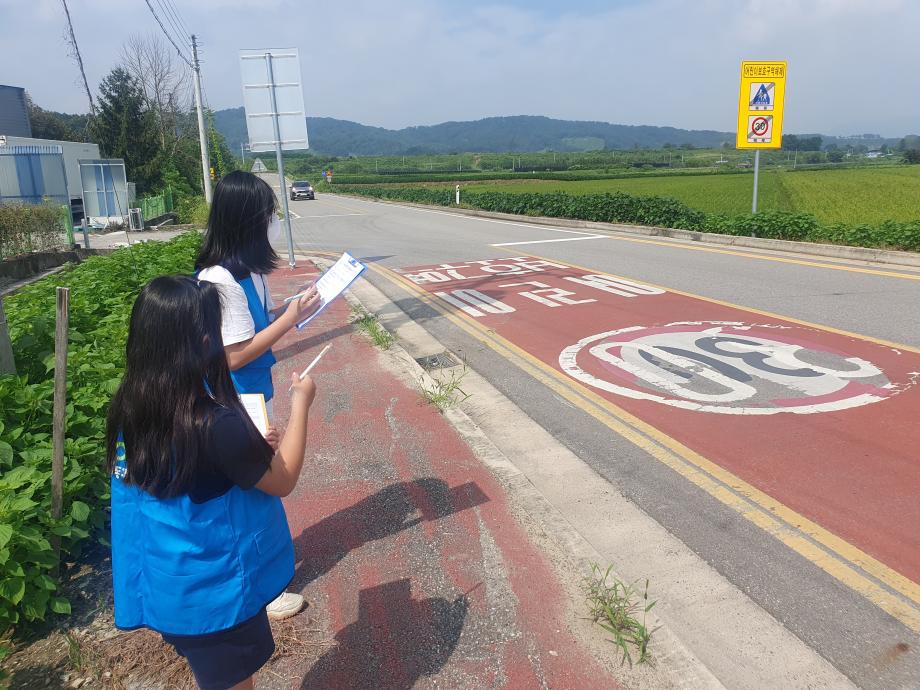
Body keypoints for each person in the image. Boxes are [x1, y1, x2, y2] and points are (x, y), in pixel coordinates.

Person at [107, 276, 317, 690]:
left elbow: (190, 472)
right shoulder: (213, 422)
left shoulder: (130, 404)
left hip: (168, 587)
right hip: (214, 600)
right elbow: (284, 478)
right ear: (202, 340)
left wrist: (251, 448)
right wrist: (301, 404)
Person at [196, 170, 320, 618]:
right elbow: (232, 356)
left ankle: (261, 578)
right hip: (234, 401)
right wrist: (287, 322)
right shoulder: (218, 280)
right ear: (246, 221)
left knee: (257, 487)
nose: (272, 223)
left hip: (255, 394)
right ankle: (258, 589)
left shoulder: (249, 272)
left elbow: (259, 322)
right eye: (267, 216)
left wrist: (297, 309)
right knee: (255, 489)